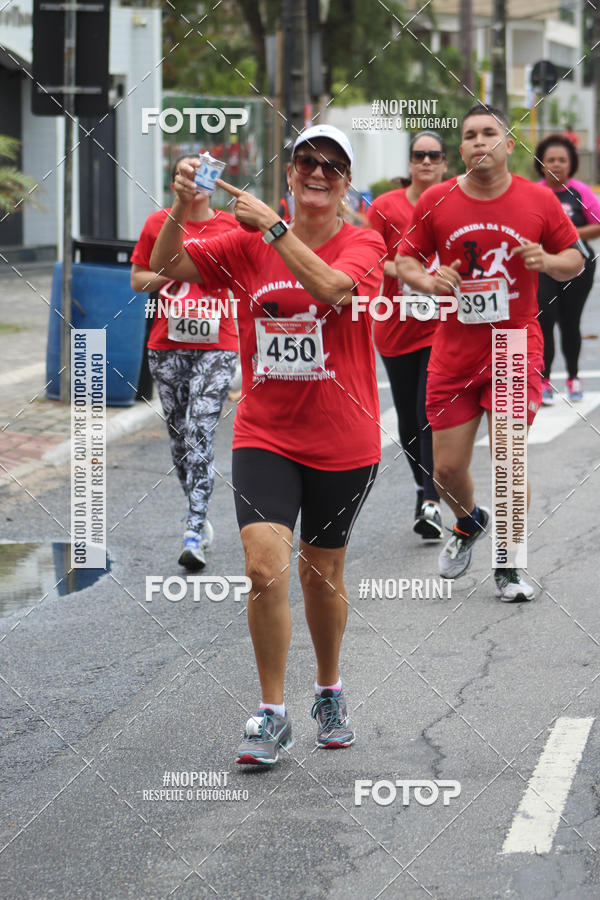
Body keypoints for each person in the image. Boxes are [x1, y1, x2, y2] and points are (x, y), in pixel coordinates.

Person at [149, 124, 386, 765]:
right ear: (289, 172)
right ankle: (272, 712)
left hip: (343, 437)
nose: (318, 173)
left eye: (332, 166)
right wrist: (180, 206)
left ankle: (329, 691)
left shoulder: (363, 241)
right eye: (307, 161)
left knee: (321, 573)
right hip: (266, 433)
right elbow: (167, 267)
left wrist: (276, 231)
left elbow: (333, 289)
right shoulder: (245, 242)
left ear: (346, 181)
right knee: (263, 568)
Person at [397, 105, 584, 602]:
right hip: (455, 349)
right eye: (471, 135)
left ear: (508, 144)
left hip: (513, 343)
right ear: (461, 149)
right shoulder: (437, 200)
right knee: (446, 471)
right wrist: (429, 280)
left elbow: (575, 259)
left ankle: (510, 564)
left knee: (507, 459)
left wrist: (548, 260)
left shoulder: (538, 200)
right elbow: (405, 260)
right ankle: (468, 521)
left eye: (489, 133)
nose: (480, 141)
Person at [130, 156, 239, 570]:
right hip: (167, 344)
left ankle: (193, 528)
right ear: (176, 180)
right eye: (189, 173)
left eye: (205, 172)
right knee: (180, 440)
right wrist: (178, 271)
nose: (198, 180)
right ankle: (197, 510)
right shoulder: (158, 223)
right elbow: (138, 279)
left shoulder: (231, 226)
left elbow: (245, 275)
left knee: (200, 431)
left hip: (218, 343)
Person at [367, 131, 448, 540]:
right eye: (419, 155)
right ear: (410, 162)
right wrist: (411, 271)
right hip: (396, 324)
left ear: (445, 163)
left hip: (442, 325)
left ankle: (431, 500)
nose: (426, 161)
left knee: (426, 410)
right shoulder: (385, 207)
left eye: (434, 155)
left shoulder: (455, 202)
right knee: (406, 419)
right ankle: (421, 488)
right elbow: (370, 258)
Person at [534, 134, 600, 404]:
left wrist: (567, 234)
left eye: (562, 160)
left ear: (571, 163)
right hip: (543, 266)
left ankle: (573, 377)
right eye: (550, 160)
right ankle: (544, 380)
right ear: (541, 164)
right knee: (545, 320)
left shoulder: (581, 192)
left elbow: (597, 225)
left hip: (579, 265)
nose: (556, 164)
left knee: (570, 322)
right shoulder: (534, 193)